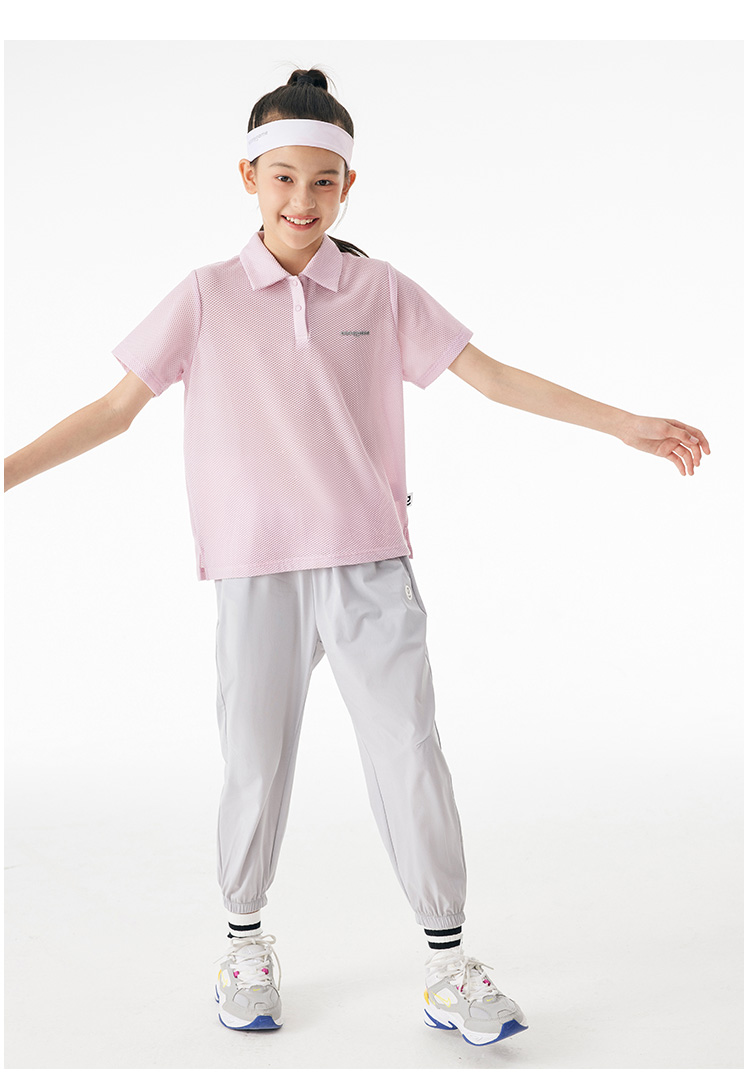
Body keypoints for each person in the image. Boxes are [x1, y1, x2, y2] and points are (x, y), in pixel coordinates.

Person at [4, 67, 710, 1050]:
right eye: (283, 178)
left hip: (369, 561)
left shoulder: (379, 289)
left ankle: (449, 965)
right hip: (255, 568)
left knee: (410, 752)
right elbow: (115, 410)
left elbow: (493, 377)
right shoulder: (205, 296)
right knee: (255, 761)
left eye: (323, 182)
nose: (302, 200)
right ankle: (244, 944)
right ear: (248, 178)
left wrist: (625, 422)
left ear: (348, 187)